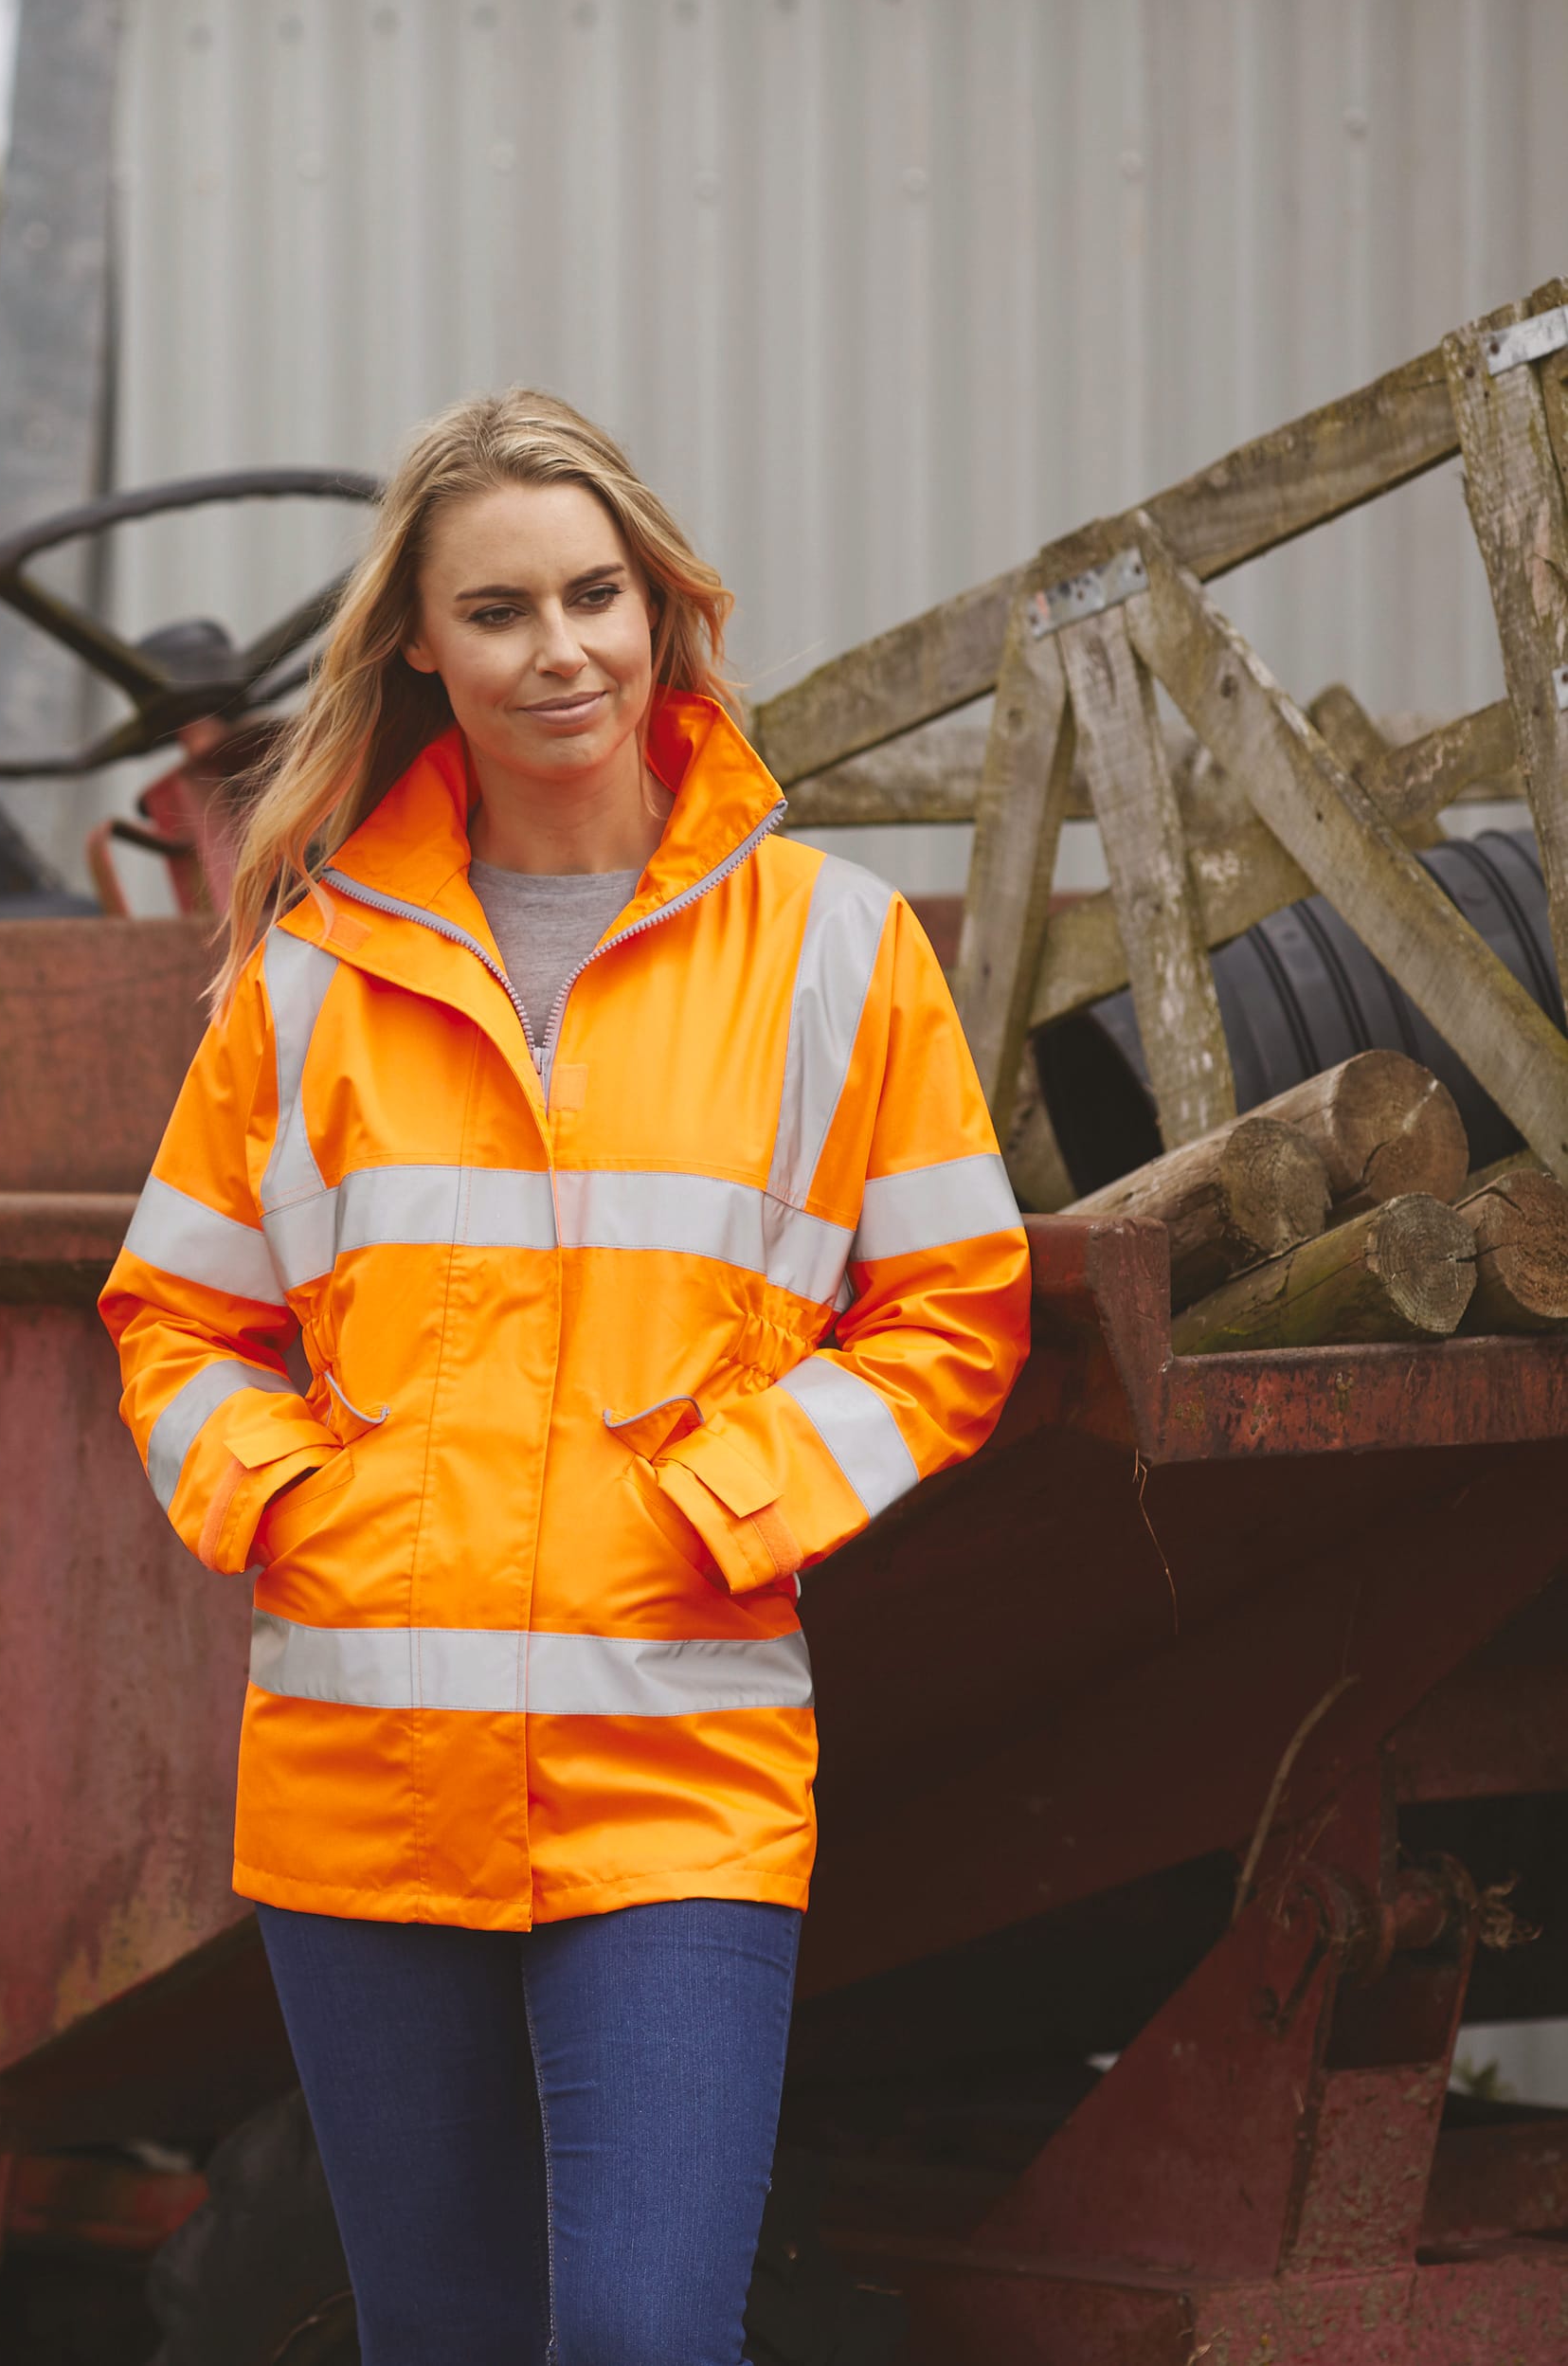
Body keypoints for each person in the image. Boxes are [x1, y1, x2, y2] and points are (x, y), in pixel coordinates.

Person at [101, 388, 1030, 2365]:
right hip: (367, 1780)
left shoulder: (838, 951)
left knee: (635, 2334)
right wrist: (299, 1505)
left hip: (674, 1770)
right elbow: (176, 1318)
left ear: (665, 606)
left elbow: (958, 1307)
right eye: (501, 609)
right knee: (435, 2335)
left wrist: (728, 1499)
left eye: (596, 594)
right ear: (420, 647)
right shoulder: (310, 970)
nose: (562, 651)